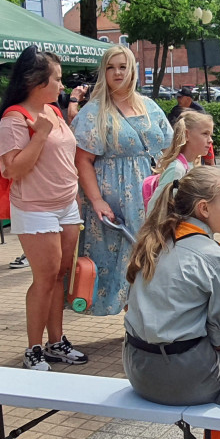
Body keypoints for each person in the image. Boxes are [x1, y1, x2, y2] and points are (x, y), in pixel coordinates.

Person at [124, 165, 220, 439]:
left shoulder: (154, 242)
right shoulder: (218, 256)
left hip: (139, 372)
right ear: (204, 208)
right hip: (185, 381)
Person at [0, 46, 89, 370]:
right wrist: (40, 136)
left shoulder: (54, 111)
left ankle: (56, 342)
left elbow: (64, 158)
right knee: (45, 277)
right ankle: (33, 348)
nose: (62, 86)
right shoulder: (14, 119)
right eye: (57, 79)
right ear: (38, 81)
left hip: (65, 205)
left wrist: (76, 192)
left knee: (59, 277)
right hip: (36, 209)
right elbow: (12, 169)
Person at [74, 45, 173, 316]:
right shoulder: (95, 111)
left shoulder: (149, 106)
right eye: (110, 67)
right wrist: (95, 200)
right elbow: (82, 159)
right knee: (124, 260)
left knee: (153, 257)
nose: (117, 73)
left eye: (122, 66)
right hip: (114, 200)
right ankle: (133, 323)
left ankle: (143, 323)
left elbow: (170, 147)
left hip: (151, 196)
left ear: (133, 70)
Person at [144, 110, 214, 210]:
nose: (210, 140)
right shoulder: (177, 169)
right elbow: (155, 206)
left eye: (211, 135)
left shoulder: (193, 165)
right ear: (187, 135)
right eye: (205, 134)